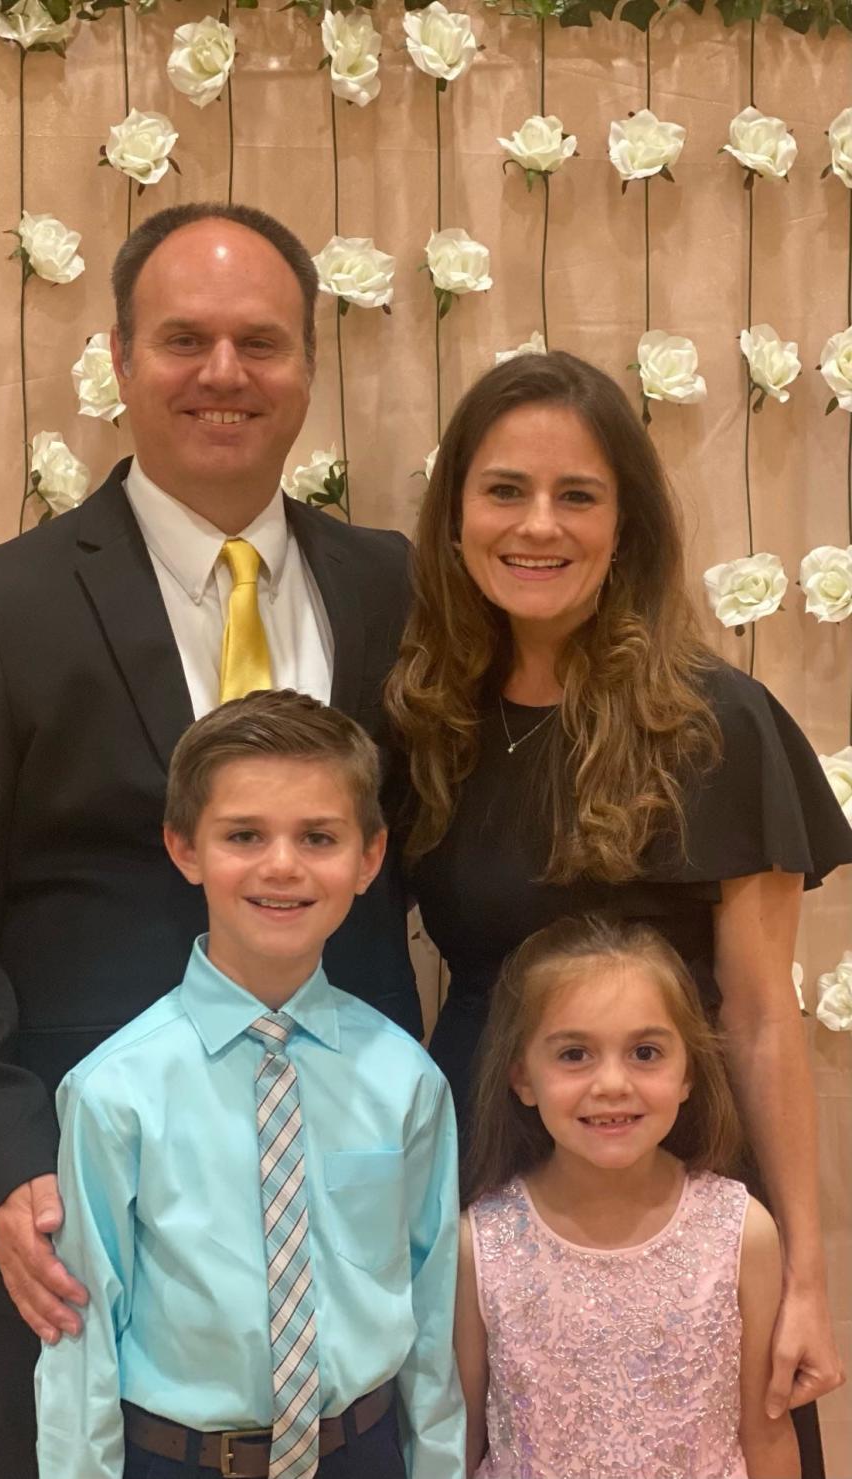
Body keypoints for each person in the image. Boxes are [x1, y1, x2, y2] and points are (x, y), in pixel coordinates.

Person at [0, 201, 421, 1479]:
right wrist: (6, 1164)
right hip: (73, 1246)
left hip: (342, 1251)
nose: (225, 374)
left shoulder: (394, 587)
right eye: (184, 339)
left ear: (307, 369)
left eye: (262, 343)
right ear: (119, 361)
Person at [384, 350, 851, 1475]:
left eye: (577, 495)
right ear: (454, 521)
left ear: (626, 526)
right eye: (504, 491)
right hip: (486, 1156)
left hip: (681, 1163)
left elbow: (760, 1015)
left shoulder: (715, 725)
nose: (536, 525)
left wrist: (802, 1278)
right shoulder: (427, 720)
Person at [34, 690, 464, 1479]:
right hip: (181, 1457)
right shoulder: (114, 1090)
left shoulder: (407, 1081)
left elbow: (433, 1313)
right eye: (244, 834)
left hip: (362, 1453)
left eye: (318, 836)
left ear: (370, 858)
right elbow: (80, 1341)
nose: (281, 864)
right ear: (184, 847)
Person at [454, 914, 801, 1479]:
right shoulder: (482, 1244)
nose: (612, 1084)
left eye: (645, 1053)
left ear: (689, 1072)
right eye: (574, 1055)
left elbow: (766, 1435)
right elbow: (461, 1440)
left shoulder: (741, 1232)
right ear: (521, 1077)